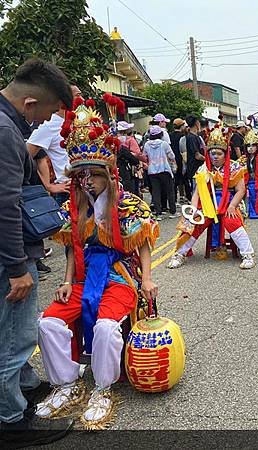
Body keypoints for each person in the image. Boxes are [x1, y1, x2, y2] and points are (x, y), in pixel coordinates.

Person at [35, 96, 159, 430]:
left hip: (118, 278)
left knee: (106, 327)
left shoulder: (129, 205)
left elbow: (143, 245)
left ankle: (103, 389)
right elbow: (72, 251)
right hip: (83, 279)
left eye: (94, 174)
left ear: (108, 174)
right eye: (81, 175)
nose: (87, 181)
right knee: (47, 323)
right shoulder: (73, 210)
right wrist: (65, 281)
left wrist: (146, 279)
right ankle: (67, 384)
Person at [0, 58, 74, 443]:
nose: (48, 122)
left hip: (12, 251)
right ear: (30, 103)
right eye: (49, 113)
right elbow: (5, 205)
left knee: (15, 333)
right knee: (12, 338)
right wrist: (17, 267)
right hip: (6, 258)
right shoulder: (6, 133)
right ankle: (12, 421)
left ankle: (24, 388)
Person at [167, 126, 255, 270]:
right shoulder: (203, 169)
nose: (215, 156)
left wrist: (232, 206)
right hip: (207, 203)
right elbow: (197, 193)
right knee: (193, 222)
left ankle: (248, 254)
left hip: (229, 201)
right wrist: (194, 210)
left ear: (225, 154)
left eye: (219, 153)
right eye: (212, 153)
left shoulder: (235, 167)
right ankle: (179, 254)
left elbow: (241, 190)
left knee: (231, 220)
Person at [143, 125, 177, 220]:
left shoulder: (146, 144)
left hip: (152, 171)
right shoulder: (164, 144)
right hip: (165, 169)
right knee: (170, 191)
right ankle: (173, 211)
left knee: (156, 191)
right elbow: (171, 156)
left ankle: (158, 213)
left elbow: (144, 156)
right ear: (161, 134)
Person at [169, 118, 189, 204]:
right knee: (185, 179)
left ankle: (174, 199)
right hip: (182, 160)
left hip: (173, 160)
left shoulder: (169, 135)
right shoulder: (183, 136)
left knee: (175, 180)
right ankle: (188, 197)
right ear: (181, 126)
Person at [185, 115, 206, 192]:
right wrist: (207, 159)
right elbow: (197, 156)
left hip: (199, 169)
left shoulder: (197, 136)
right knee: (196, 191)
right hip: (195, 169)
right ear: (197, 123)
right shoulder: (191, 138)